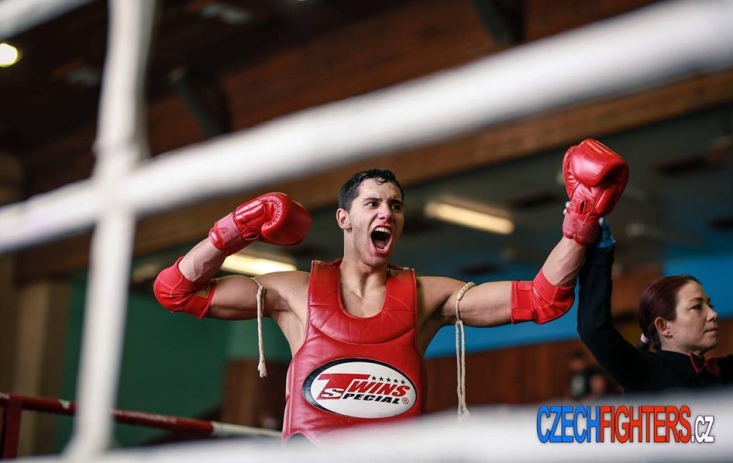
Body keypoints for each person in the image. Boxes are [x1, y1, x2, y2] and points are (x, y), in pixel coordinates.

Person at [153, 139, 628, 446]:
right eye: (373, 203)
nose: (387, 213)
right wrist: (233, 231)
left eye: (395, 205)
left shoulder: (426, 296)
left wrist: (580, 222)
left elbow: (543, 299)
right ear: (345, 219)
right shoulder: (295, 292)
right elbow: (177, 292)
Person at [577, 221, 733, 394]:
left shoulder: (723, 371)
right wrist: (600, 252)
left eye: (710, 305)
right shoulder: (644, 371)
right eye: (696, 307)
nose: (714, 314)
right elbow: (593, 330)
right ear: (663, 326)